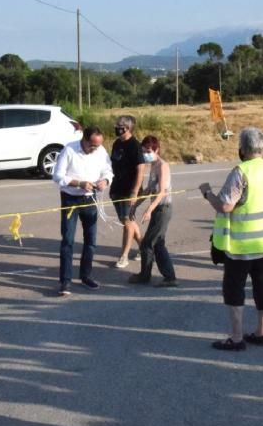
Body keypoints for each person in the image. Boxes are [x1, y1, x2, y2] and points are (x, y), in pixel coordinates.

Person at [200, 127, 263, 351]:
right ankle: (261, 331)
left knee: (234, 288)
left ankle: (236, 337)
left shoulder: (241, 172)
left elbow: (226, 205)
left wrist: (208, 193)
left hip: (241, 244)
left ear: (243, 148)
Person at [52, 126, 114, 296]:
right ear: (85, 140)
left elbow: (108, 170)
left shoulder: (100, 151)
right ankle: (65, 282)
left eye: (98, 145)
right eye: (92, 145)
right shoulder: (69, 149)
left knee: (91, 241)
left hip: (90, 199)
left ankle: (86, 276)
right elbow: (57, 176)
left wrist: (105, 181)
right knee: (68, 241)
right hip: (71, 199)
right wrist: (79, 183)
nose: (95, 149)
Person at [128, 135, 177, 287]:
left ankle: (145, 276)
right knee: (158, 244)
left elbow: (161, 191)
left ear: (157, 150)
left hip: (163, 208)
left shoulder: (162, 166)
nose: (146, 153)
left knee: (147, 244)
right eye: (144, 151)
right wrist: (135, 205)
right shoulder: (153, 166)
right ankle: (169, 277)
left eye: (148, 150)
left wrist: (149, 210)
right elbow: (149, 189)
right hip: (158, 209)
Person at [109, 115, 146, 269]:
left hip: (129, 191)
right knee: (128, 221)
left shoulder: (135, 145)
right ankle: (146, 248)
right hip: (117, 189)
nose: (117, 127)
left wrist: (134, 192)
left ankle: (124, 256)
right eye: (116, 125)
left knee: (127, 222)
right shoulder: (117, 143)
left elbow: (141, 169)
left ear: (128, 128)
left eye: (120, 125)